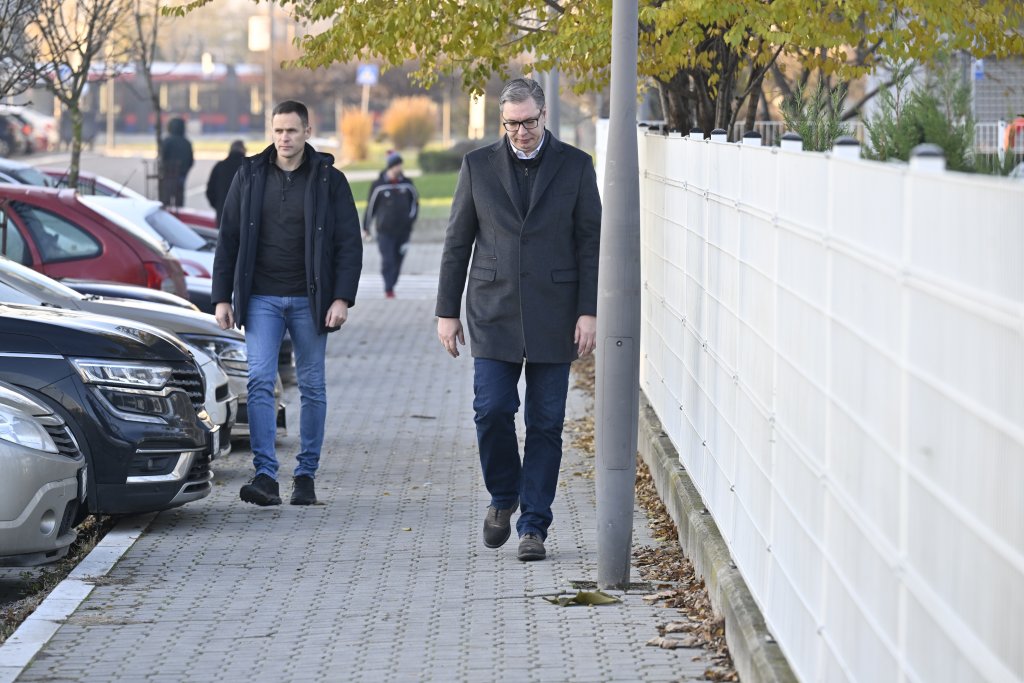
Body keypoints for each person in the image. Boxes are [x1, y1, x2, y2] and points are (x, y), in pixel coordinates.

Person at [435, 77, 601, 562]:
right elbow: (457, 241)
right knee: (491, 410)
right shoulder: (477, 165)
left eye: (528, 122)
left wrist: (589, 310)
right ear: (502, 122)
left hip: (556, 312)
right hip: (493, 310)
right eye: (511, 124)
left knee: (546, 423)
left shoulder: (575, 165)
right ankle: (504, 495)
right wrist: (446, 312)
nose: (521, 132)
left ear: (544, 115)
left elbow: (591, 244)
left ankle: (534, 526)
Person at [211, 100, 363, 507]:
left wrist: (342, 298)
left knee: (312, 385)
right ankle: (265, 476)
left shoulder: (329, 179)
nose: (284, 138)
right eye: (278, 130)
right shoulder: (249, 175)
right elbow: (229, 238)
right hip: (261, 297)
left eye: (292, 130)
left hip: (310, 300)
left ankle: (306, 475)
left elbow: (349, 243)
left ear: (307, 132)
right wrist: (221, 296)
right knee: (260, 380)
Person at [363, 151, 419, 298]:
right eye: (397, 165)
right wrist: (366, 227)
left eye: (400, 165)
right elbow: (371, 208)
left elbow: (415, 203)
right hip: (384, 231)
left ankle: (392, 283)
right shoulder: (378, 185)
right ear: (391, 166)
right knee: (388, 260)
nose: (399, 168)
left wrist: (410, 220)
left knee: (398, 260)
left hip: (404, 231)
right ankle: (388, 288)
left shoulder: (407, 183)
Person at [206, 139, 247, 225]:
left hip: (223, 213)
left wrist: (218, 206)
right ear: (244, 150)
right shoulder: (249, 168)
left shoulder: (220, 166)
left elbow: (210, 191)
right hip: (244, 216)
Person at [159, 117, 194, 208]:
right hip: (181, 175)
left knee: (166, 202)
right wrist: (184, 172)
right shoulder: (187, 143)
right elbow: (190, 161)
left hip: (168, 175)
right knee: (179, 203)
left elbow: (162, 158)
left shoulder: (166, 141)